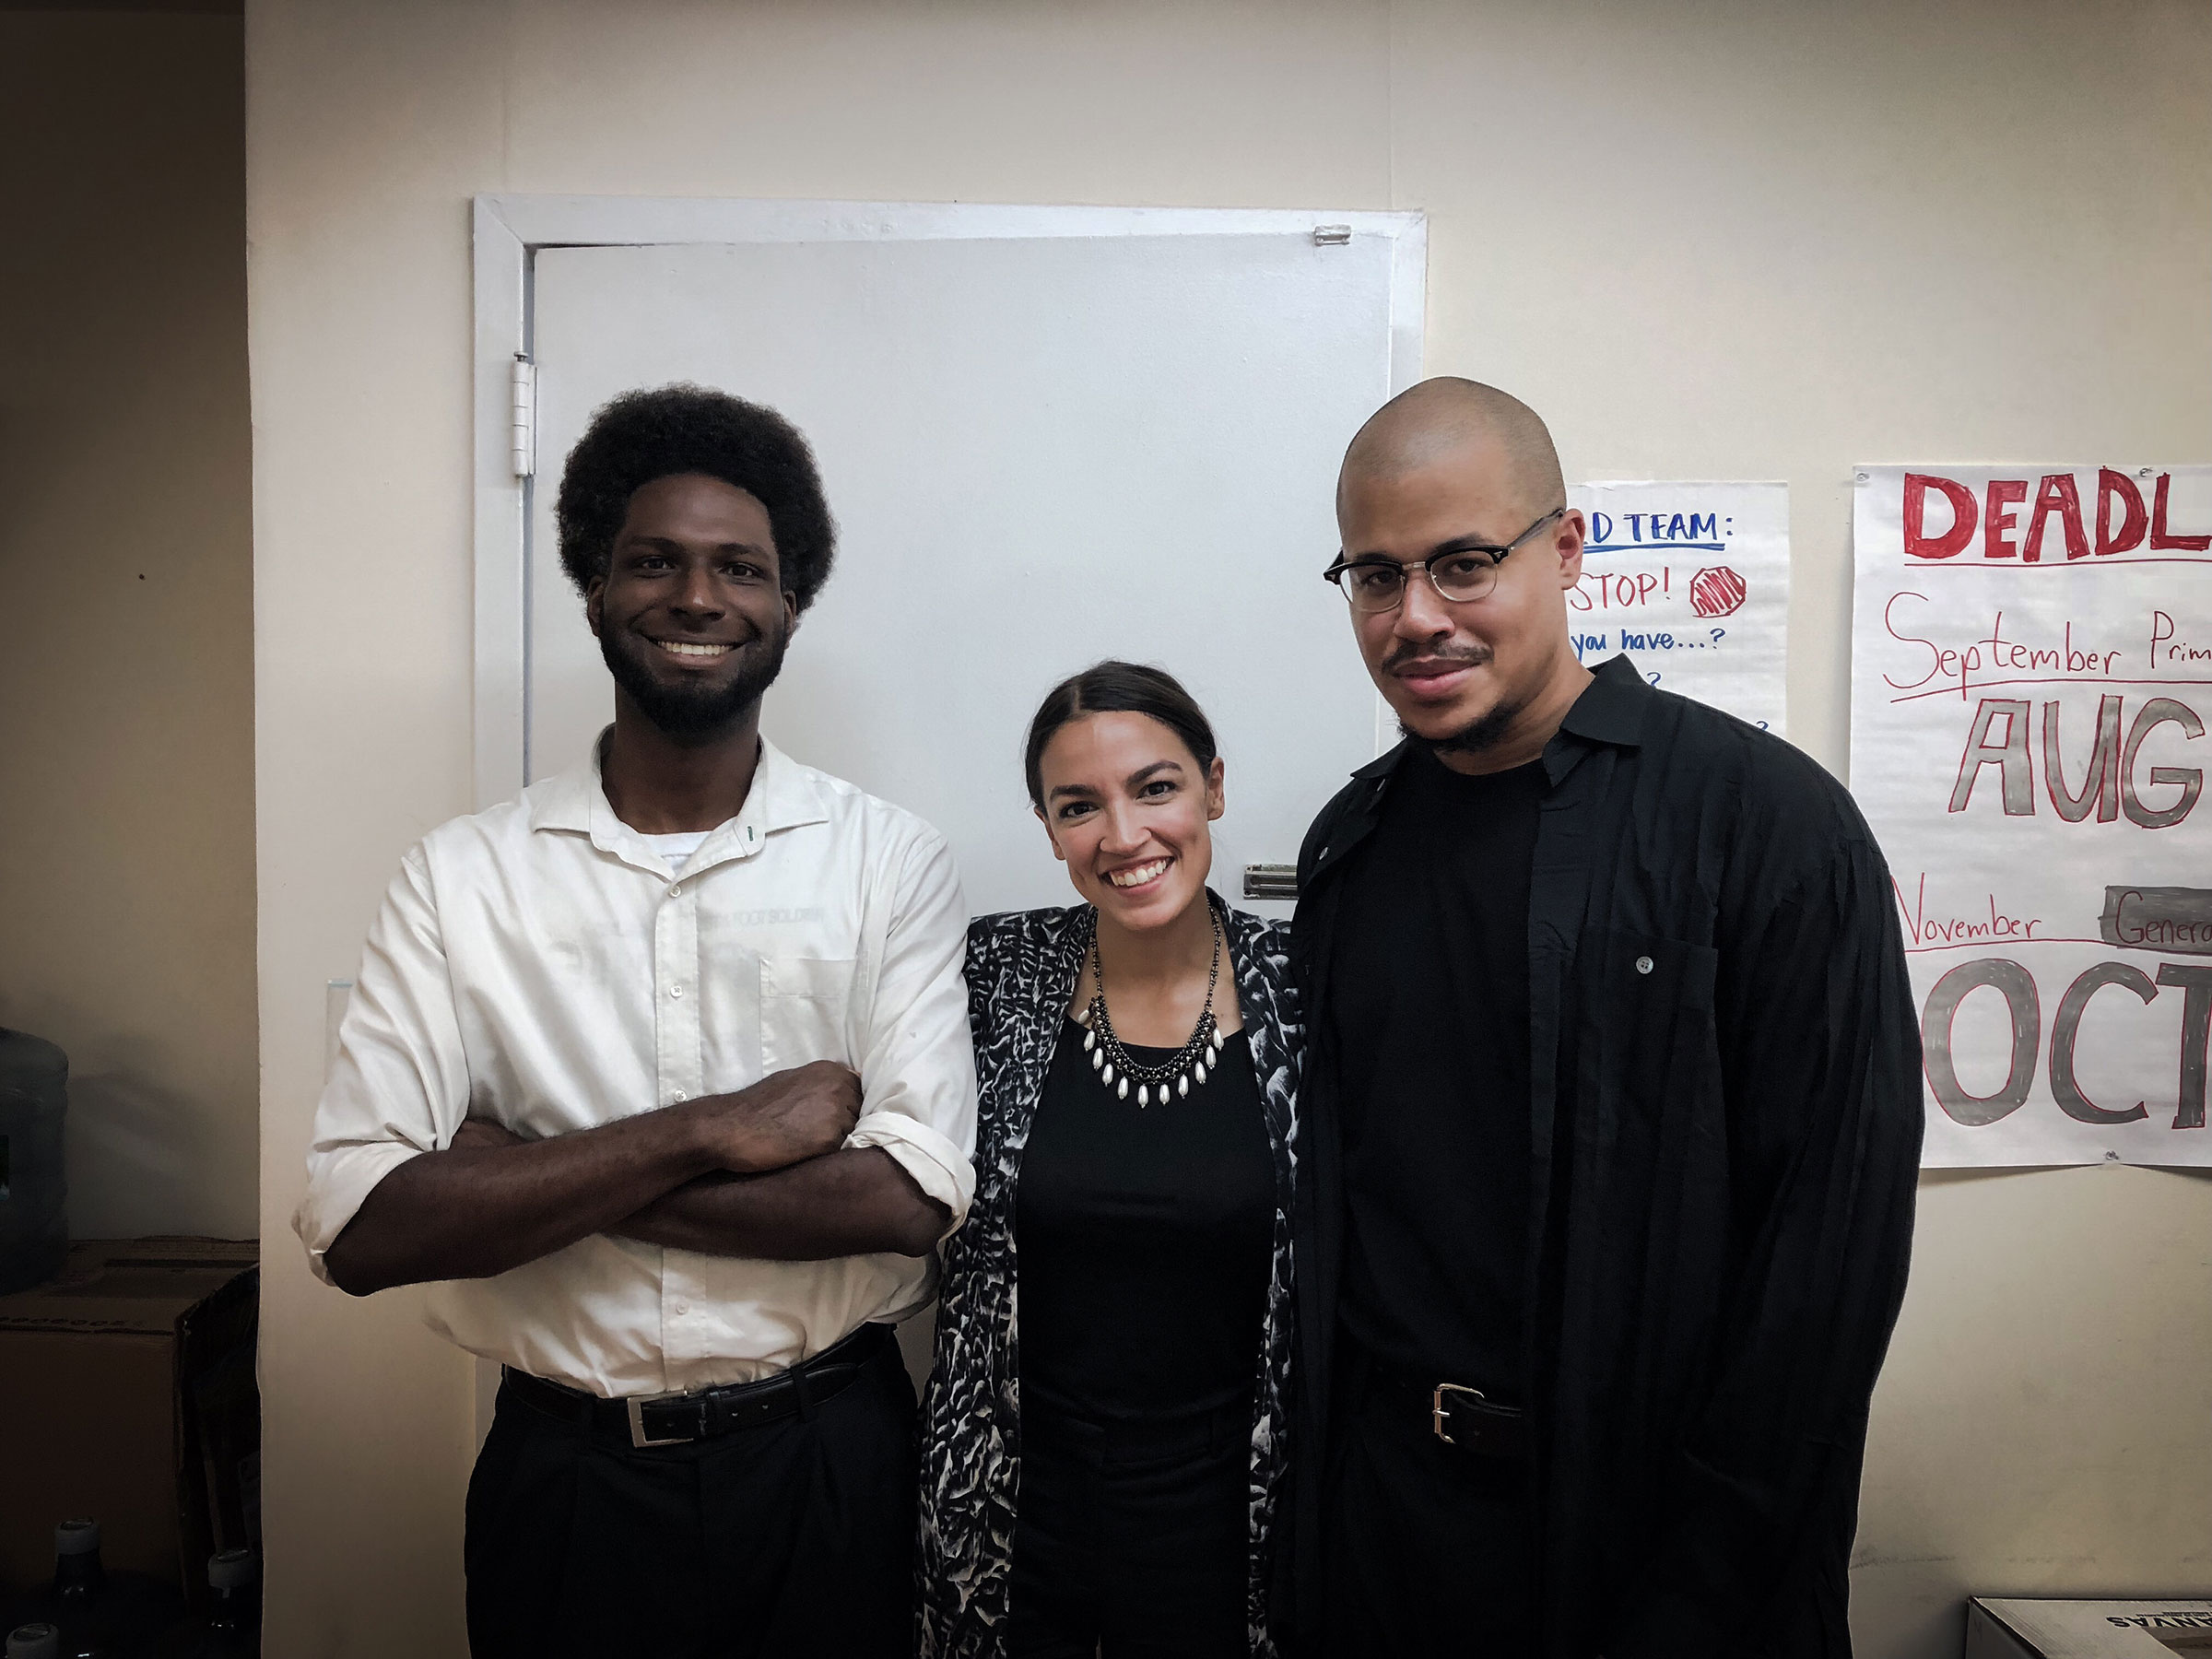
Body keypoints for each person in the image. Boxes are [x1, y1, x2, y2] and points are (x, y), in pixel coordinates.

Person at [294, 383, 976, 1659]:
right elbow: (363, 1225)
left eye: (741, 570)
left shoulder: (889, 862)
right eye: (654, 561)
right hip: (565, 1484)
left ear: (789, 605)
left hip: (828, 1464)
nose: (698, 598)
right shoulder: (463, 877)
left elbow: (904, 1200)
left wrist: (518, 1176)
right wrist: (721, 1129)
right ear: (595, 588)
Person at [1285, 378, 1922, 1657]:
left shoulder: (1764, 825)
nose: (1416, 618)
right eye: (1374, 576)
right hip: (1390, 1548)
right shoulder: (1351, 847)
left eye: (1464, 564)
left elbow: (1826, 1264)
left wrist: (1702, 1589)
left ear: (1566, 550)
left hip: (1668, 1562)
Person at [918, 663, 1303, 1659]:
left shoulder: (1307, 992)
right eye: (1079, 805)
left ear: (1214, 786)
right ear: (1050, 831)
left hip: (1244, 1508)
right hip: (1012, 1503)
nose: (1123, 837)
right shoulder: (989, 974)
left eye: (1157, 787)